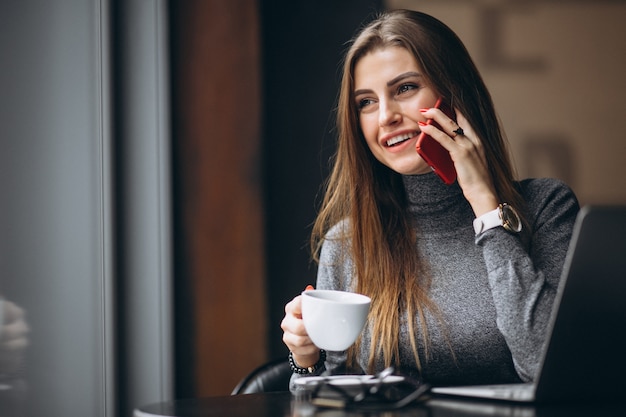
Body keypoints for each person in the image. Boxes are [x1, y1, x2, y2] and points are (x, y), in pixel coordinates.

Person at [281, 9, 579, 389]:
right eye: (366, 102)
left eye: (404, 88)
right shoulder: (346, 242)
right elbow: (338, 396)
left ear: (454, 95)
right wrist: (305, 361)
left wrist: (485, 207)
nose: (385, 116)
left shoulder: (546, 207)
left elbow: (546, 368)